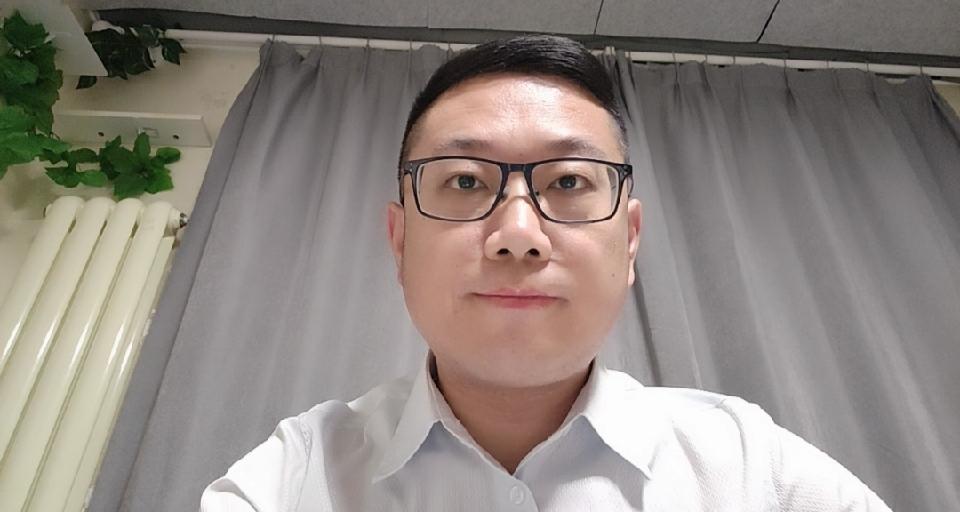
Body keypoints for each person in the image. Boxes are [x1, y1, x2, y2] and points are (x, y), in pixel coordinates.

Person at [200, 35, 892, 511]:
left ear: (630, 241)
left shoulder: (749, 466)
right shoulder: (293, 477)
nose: (519, 236)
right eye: (465, 181)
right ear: (400, 241)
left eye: (568, 181)